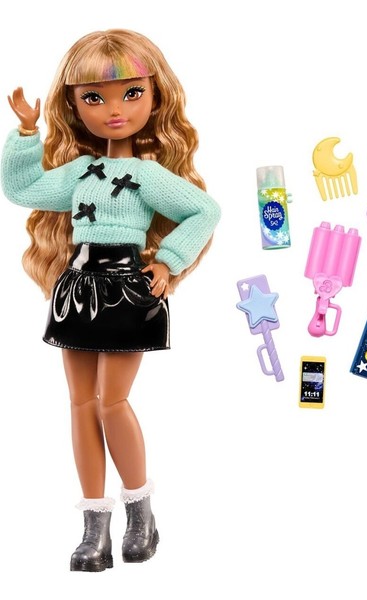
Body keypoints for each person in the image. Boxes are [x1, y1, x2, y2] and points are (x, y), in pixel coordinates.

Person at [1, 29, 220, 572]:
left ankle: (141, 513)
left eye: (132, 93)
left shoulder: (148, 176)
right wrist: (27, 133)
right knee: (80, 403)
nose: (114, 110)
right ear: (75, 105)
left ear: (155, 96)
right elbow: (23, 189)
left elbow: (205, 210)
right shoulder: (79, 172)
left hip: (127, 286)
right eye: (94, 97)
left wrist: (168, 261)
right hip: (78, 285)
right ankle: (94, 526)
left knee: (111, 402)